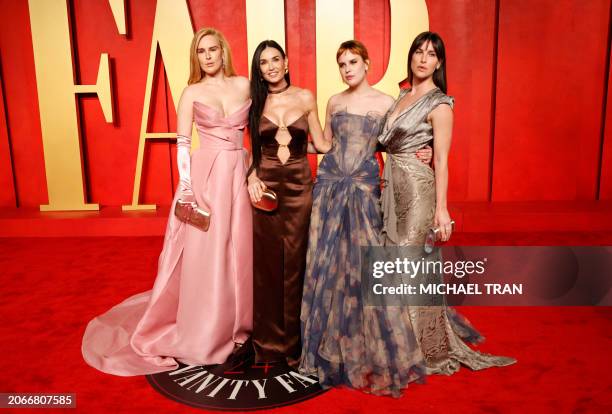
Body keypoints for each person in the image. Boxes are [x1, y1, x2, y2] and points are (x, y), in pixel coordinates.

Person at [81, 28, 253, 375]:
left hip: (239, 172)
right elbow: (183, 144)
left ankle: (243, 327)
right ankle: (210, 329)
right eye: (200, 51)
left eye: (211, 49)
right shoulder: (191, 92)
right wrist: (187, 188)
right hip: (205, 179)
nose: (206, 56)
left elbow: (261, 131)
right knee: (210, 255)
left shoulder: (245, 85)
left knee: (243, 252)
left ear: (223, 50)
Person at [378, 31, 516, 378]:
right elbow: (387, 142)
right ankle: (395, 343)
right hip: (391, 187)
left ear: (439, 63)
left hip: (419, 191)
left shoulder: (440, 104)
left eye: (431, 54)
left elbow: (441, 159)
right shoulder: (402, 96)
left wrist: (442, 209)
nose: (423, 58)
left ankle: (419, 350)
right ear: (410, 57)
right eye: (418, 52)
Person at [299, 40, 432, 396]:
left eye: (353, 61)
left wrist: (423, 147)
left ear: (367, 63)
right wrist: (289, 139)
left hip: (362, 189)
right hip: (328, 188)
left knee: (363, 265)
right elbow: (324, 144)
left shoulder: (386, 103)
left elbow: (392, 144)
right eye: (341, 63)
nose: (347, 69)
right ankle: (328, 345)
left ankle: (368, 345)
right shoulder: (334, 101)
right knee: (327, 265)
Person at [247, 40, 331, 368]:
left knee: (296, 265)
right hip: (265, 189)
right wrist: (250, 177)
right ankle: (267, 343)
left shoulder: (305, 96)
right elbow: (251, 150)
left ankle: (294, 343)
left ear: (286, 61)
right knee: (267, 267)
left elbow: (321, 143)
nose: (270, 66)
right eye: (263, 62)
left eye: (275, 59)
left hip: (299, 189)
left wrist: (367, 140)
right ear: (259, 69)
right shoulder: (253, 101)